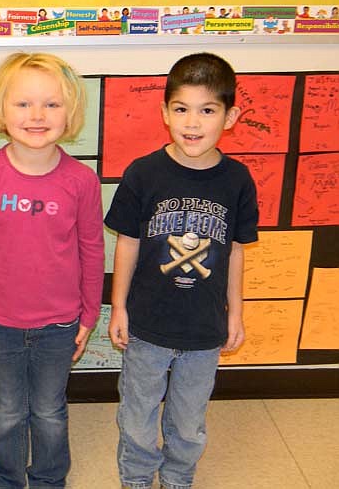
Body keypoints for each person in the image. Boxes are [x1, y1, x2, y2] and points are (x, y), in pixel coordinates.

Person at [105, 52, 259, 489]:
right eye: (181, 108)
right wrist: (118, 307)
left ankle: (177, 478)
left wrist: (235, 313)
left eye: (207, 110)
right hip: (148, 323)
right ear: (164, 112)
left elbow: (235, 252)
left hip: (203, 329)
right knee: (137, 412)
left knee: (189, 420)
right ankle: (135, 478)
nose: (193, 122)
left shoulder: (238, 181)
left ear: (230, 117)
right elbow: (128, 244)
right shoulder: (143, 173)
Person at [0, 52, 105, 489]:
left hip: (59, 325)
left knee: (48, 410)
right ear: (0, 110)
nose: (37, 115)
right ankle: (6, 479)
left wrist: (89, 315)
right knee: (6, 411)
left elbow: (92, 251)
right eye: (23, 104)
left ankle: (48, 480)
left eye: (51, 104)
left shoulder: (81, 181)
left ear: (70, 113)